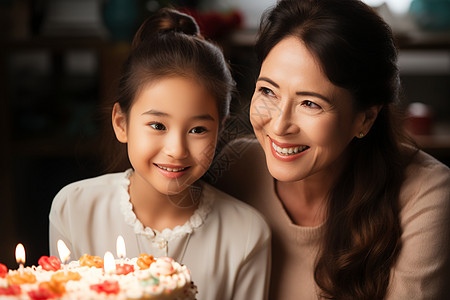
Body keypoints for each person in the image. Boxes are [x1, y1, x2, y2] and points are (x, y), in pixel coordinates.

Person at [213, 0, 450, 299]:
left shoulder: (427, 195)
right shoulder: (234, 167)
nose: (279, 126)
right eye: (268, 91)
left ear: (365, 118)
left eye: (310, 103)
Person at [48, 8, 271, 300]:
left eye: (198, 130)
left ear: (220, 131)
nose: (176, 150)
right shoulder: (75, 209)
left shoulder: (246, 235)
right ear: (121, 123)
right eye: (157, 125)